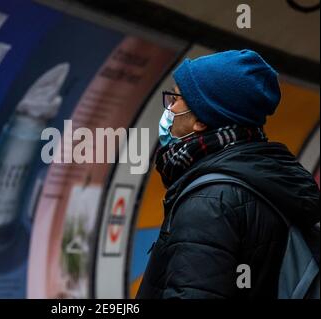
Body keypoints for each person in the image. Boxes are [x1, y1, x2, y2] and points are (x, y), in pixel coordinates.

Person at [136, 49, 320, 299]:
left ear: (201, 120)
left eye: (176, 98)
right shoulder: (275, 175)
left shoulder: (210, 202)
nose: (169, 109)